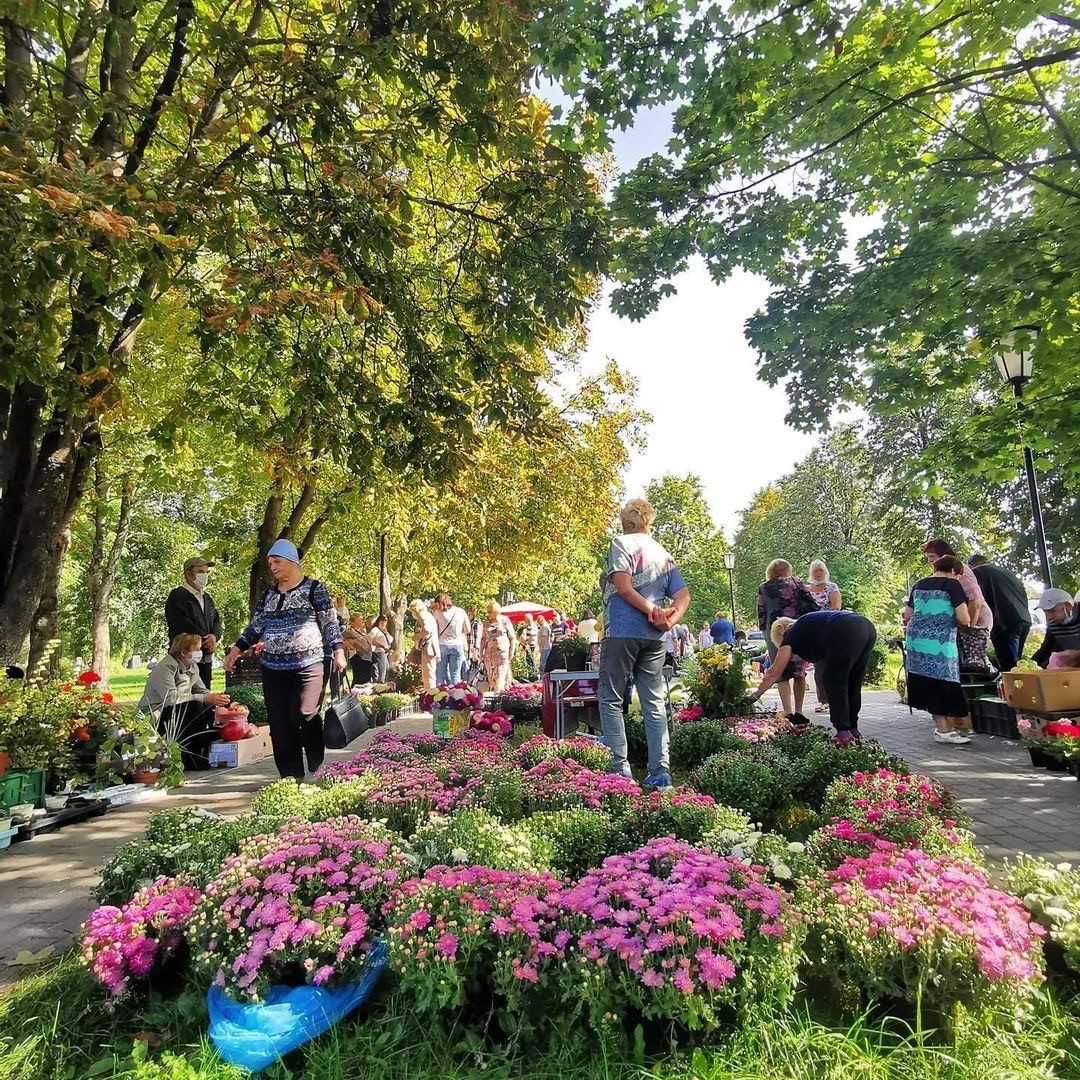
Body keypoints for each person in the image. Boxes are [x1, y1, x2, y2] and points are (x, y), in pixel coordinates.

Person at [223, 539, 346, 780]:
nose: (273, 567)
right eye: (270, 563)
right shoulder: (268, 594)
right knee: (279, 725)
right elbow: (256, 626)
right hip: (273, 667)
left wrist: (338, 650)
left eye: (277, 562)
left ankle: (314, 752)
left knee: (304, 713)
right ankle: (291, 777)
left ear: (292, 561)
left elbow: (330, 623)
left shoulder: (314, 589)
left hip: (310, 663)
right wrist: (236, 649)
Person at [598, 497, 691, 789]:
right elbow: (683, 595)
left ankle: (619, 770)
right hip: (654, 637)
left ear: (626, 522)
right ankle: (660, 772)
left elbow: (623, 588)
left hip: (622, 630)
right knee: (654, 702)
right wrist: (669, 619)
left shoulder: (621, 543)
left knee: (611, 698)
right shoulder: (663, 553)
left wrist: (652, 611)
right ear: (648, 522)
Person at [750, 611, 876, 745]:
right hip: (867, 628)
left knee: (833, 681)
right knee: (853, 681)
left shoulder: (790, 635)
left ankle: (843, 732)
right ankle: (853, 728)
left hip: (844, 629)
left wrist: (755, 696)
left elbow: (774, 672)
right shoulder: (807, 627)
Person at [902, 555, 974, 746]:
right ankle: (945, 731)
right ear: (953, 571)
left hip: (916, 641)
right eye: (959, 575)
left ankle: (943, 729)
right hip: (940, 643)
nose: (958, 578)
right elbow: (964, 619)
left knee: (929, 683)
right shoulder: (952, 585)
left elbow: (908, 614)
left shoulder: (918, 584)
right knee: (945, 682)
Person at [138, 633, 231, 769]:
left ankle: (208, 749)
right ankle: (189, 758)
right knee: (195, 706)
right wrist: (204, 698)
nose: (200, 652)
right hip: (156, 714)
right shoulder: (166, 667)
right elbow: (171, 699)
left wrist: (216, 699)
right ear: (183, 652)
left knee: (206, 708)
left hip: (177, 710)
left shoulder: (192, 667)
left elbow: (202, 691)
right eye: (197, 649)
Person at [922, 539, 992, 674]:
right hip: (963, 620)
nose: (930, 561)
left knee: (970, 663)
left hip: (977, 620)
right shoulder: (946, 574)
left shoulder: (959, 570)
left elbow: (975, 602)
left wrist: (968, 630)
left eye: (932, 556)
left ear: (944, 555)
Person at [756, 560, 808, 721]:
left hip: (775, 632)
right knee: (799, 672)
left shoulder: (763, 587)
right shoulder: (797, 583)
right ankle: (799, 711)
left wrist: (766, 634)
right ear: (787, 569)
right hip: (798, 628)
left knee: (780, 672)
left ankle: (787, 711)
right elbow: (810, 602)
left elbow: (761, 612)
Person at [164, 556, 223, 691]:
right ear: (189, 574)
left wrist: (214, 637)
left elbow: (216, 620)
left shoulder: (207, 598)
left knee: (204, 693)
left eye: (206, 572)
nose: (205, 575)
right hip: (185, 657)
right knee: (184, 693)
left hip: (205, 657)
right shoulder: (178, 596)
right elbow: (181, 623)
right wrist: (205, 640)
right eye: (201, 572)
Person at [967, 554, 1032, 672]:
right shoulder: (1006, 572)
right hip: (1023, 619)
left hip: (1004, 622)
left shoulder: (978, 572)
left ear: (971, 566)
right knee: (1017, 665)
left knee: (1009, 667)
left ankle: (1013, 684)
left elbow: (977, 599)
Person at [806, 560, 842, 715]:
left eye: (821, 570)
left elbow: (836, 608)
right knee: (819, 667)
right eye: (815, 571)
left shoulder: (832, 587)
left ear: (825, 572)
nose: (818, 573)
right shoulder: (807, 590)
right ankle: (823, 701)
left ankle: (838, 700)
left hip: (830, 629)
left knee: (833, 666)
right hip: (814, 632)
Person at [1032, 589, 1080, 668]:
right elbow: (1045, 650)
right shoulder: (1053, 625)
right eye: (1045, 612)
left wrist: (1077, 655)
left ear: (1068, 606)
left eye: (1052, 611)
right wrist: (1029, 665)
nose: (1049, 617)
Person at [432, 592, 469, 685]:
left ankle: (441, 692)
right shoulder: (461, 611)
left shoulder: (437, 614)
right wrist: (459, 633)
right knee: (455, 674)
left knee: (440, 675)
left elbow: (435, 631)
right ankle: (456, 693)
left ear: (439, 603)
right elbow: (468, 629)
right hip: (457, 645)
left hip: (442, 645)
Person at [481, 601, 517, 692]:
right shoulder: (486, 623)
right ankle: (495, 691)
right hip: (490, 653)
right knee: (491, 675)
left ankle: (499, 691)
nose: (488, 613)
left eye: (490, 611)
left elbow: (512, 637)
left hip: (502, 651)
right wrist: (481, 652)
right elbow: (483, 639)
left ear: (496, 611)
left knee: (501, 672)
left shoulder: (505, 621)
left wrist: (512, 650)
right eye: (488, 611)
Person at [409, 599, 440, 691]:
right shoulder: (428, 615)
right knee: (428, 675)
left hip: (429, 648)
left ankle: (430, 695)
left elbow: (426, 630)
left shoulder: (422, 615)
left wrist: (416, 637)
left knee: (428, 676)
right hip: (431, 648)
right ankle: (429, 693)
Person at [343, 614, 374, 685]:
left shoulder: (362, 631)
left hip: (367, 656)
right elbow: (340, 639)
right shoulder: (349, 631)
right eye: (360, 620)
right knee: (359, 678)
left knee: (367, 677)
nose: (362, 621)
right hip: (358, 656)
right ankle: (356, 690)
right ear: (353, 622)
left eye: (362, 619)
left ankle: (365, 689)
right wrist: (350, 646)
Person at [369, 615, 392, 683]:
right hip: (379, 651)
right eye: (382, 621)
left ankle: (383, 683)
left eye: (385, 622)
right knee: (382, 670)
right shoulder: (375, 630)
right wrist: (382, 645)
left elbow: (390, 640)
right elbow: (370, 639)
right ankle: (380, 683)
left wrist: (386, 633)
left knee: (385, 668)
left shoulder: (384, 631)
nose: (384, 623)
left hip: (385, 652)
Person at [519, 614, 538, 678]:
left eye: (525, 618)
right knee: (529, 659)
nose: (524, 620)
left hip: (531, 644)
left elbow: (531, 636)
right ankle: (531, 674)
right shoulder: (528, 626)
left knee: (529, 659)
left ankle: (532, 674)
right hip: (529, 644)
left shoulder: (532, 625)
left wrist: (527, 644)